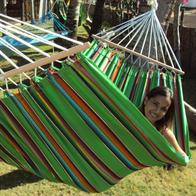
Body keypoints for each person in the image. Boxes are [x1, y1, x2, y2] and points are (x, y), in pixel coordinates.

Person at [142, 86, 187, 158]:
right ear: (146, 100)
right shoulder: (128, 115)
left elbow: (183, 157)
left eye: (163, 109)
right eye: (155, 104)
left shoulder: (164, 132)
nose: (157, 111)